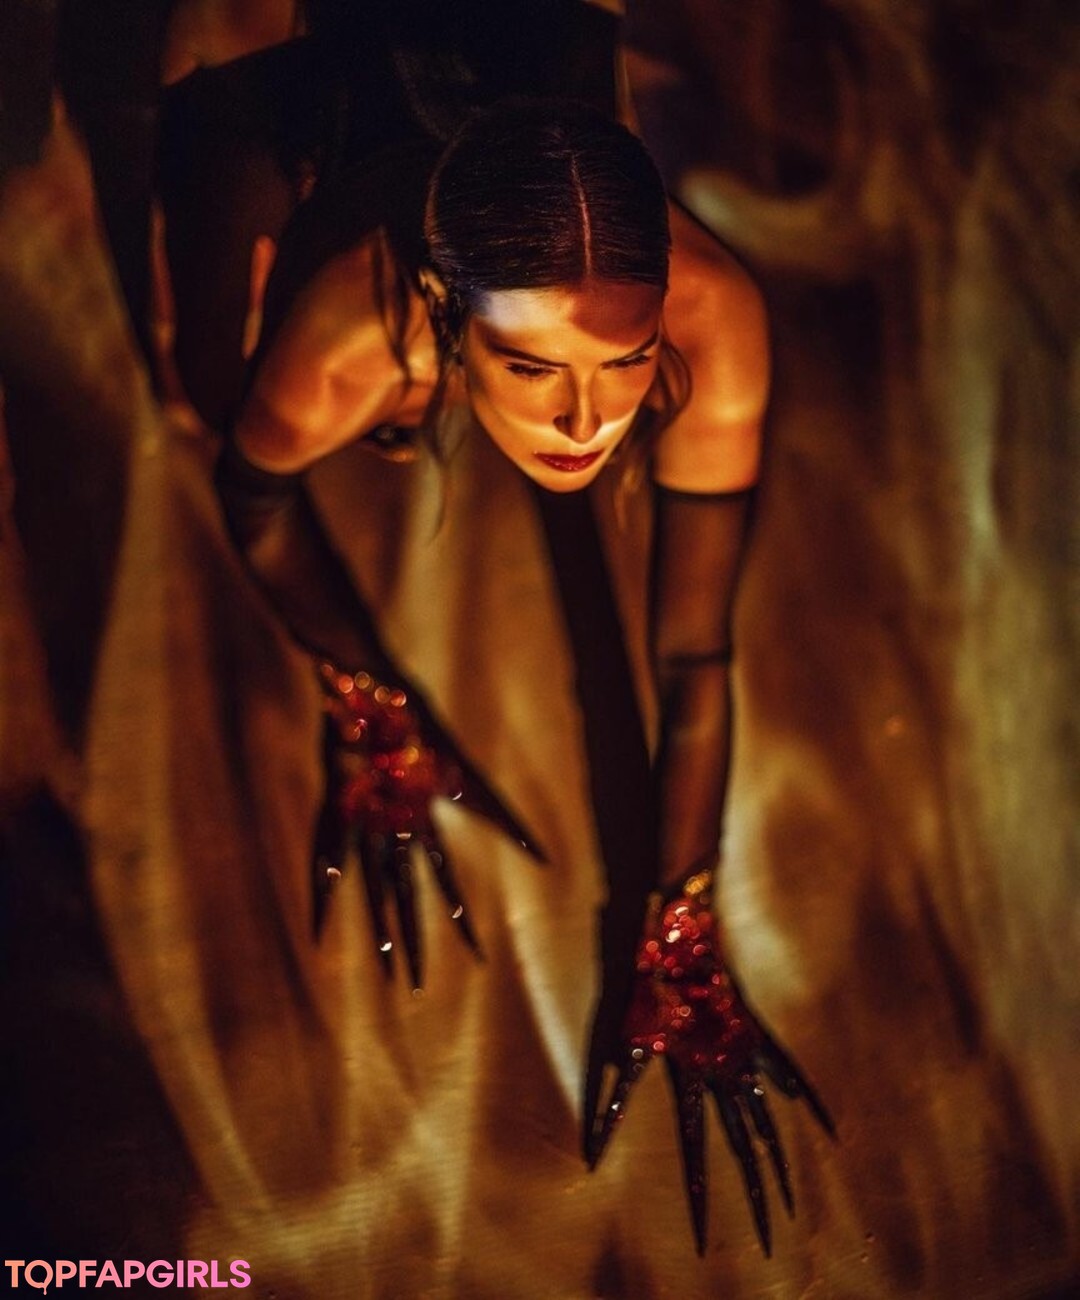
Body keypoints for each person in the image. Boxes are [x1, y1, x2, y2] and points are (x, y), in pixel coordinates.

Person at [212, 11, 832, 1258]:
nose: (586, 423)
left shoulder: (716, 313)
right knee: (196, 366)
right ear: (449, 312)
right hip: (345, 73)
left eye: (625, 361)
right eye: (532, 369)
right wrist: (375, 710)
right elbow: (254, 505)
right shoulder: (350, 336)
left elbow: (694, 653)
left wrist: (680, 939)